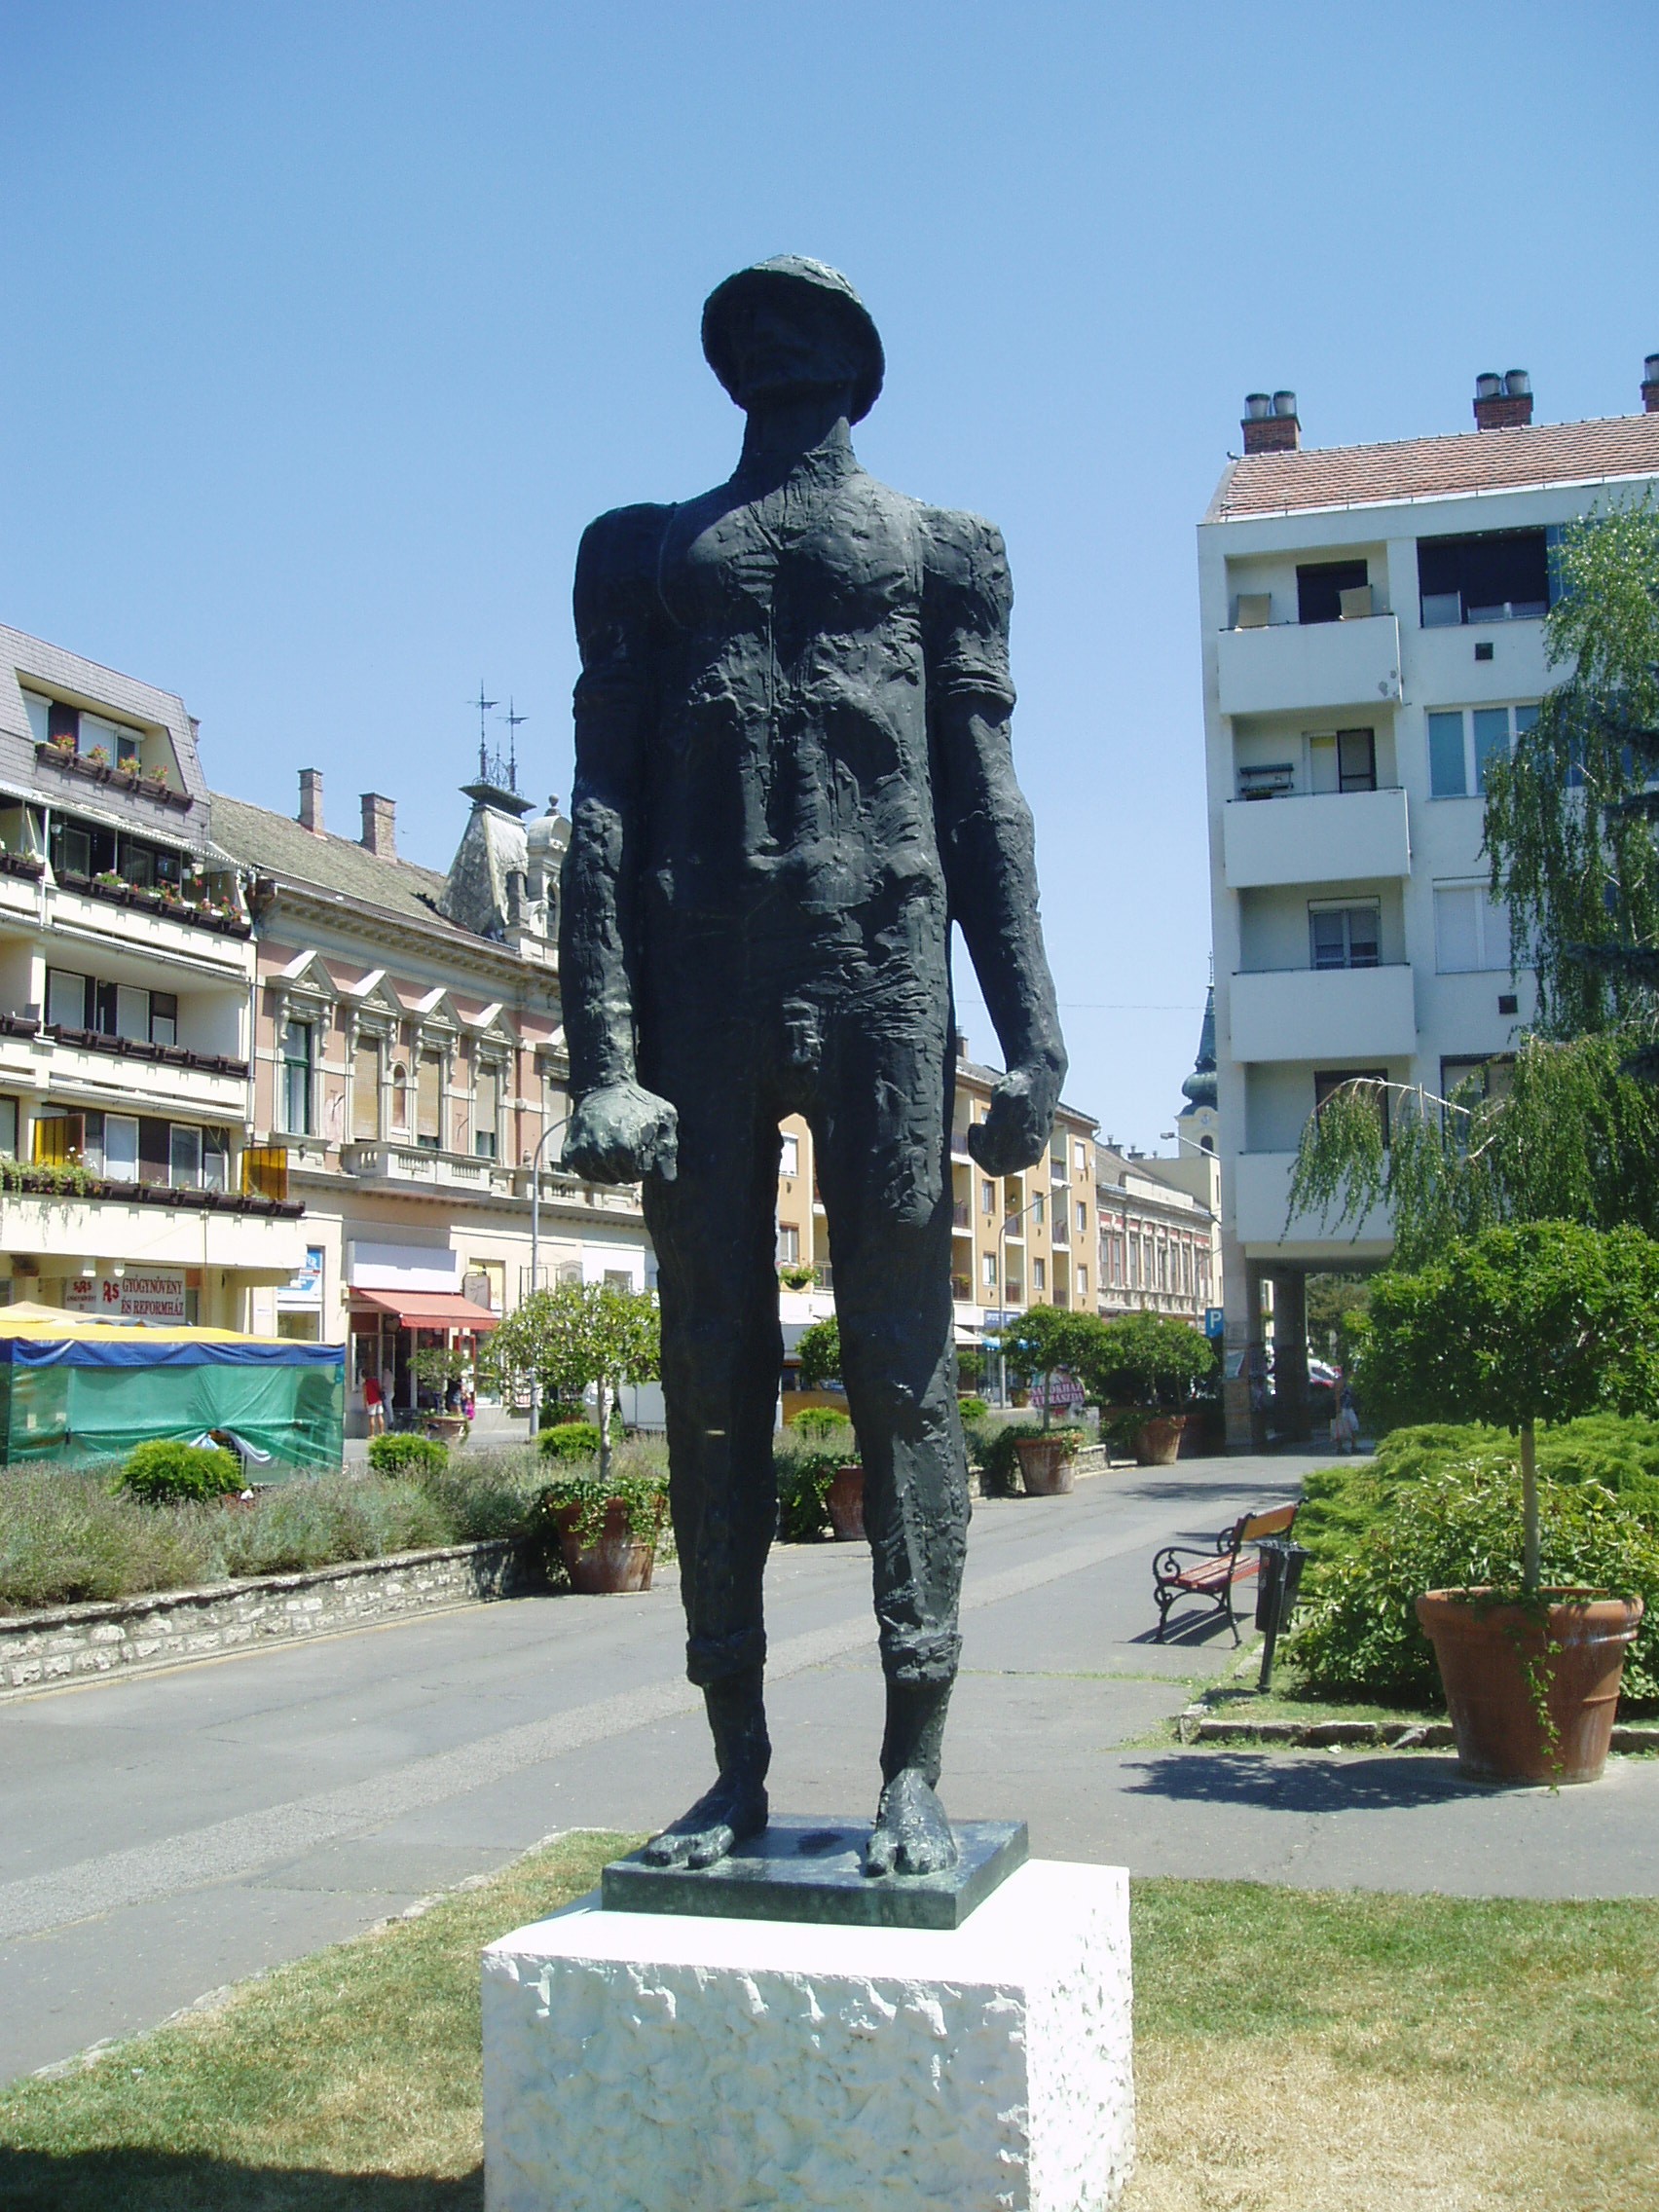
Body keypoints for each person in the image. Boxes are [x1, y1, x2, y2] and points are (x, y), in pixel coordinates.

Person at [561, 257, 1065, 1879]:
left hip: (882, 980)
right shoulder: (636, 553)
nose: (773, 344)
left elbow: (982, 801)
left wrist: (1032, 1034)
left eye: (806, 325)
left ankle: (913, 1763)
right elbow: (600, 812)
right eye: (747, 326)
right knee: (709, 1381)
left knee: (902, 1370)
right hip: (699, 992)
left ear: (857, 363)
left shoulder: (943, 549)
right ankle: (733, 1769)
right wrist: (600, 1057)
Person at [362, 1370, 386, 1437]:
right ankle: (381, 1432)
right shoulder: (375, 1381)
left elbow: (365, 1395)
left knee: (372, 1417)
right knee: (380, 1415)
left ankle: (372, 1434)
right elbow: (380, 1389)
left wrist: (365, 1404)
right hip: (378, 1400)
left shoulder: (365, 1384)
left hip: (371, 1401)